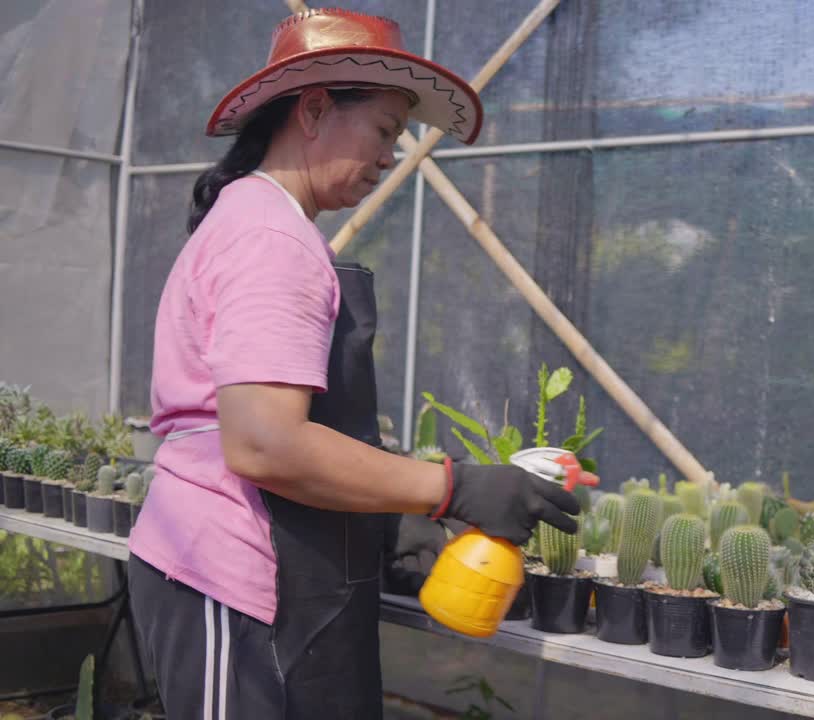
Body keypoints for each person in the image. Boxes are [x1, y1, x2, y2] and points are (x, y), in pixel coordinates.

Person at [125, 9, 579, 719]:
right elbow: (264, 442)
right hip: (232, 573)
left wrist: (390, 512)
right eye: (385, 131)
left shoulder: (256, 218)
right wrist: (450, 487)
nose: (390, 157)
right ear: (312, 110)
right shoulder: (273, 238)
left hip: (237, 567)